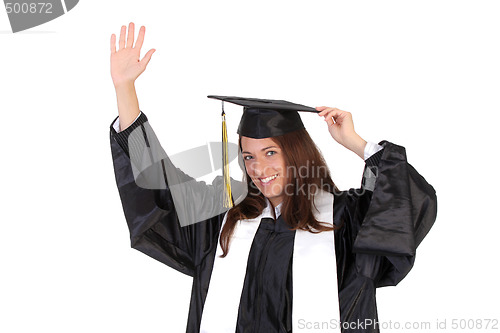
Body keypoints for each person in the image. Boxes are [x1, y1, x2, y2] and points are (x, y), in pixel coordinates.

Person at [109, 23, 437, 333]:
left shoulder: (345, 218)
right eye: (249, 156)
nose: (259, 169)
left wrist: (355, 143)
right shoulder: (223, 216)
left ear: (296, 152)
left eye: (270, 153)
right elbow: (159, 184)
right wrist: (125, 88)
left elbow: (402, 203)